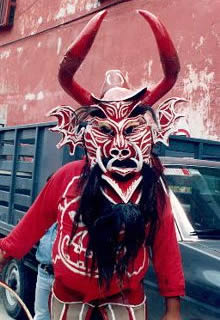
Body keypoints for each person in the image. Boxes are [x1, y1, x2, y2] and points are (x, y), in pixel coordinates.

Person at [0, 9, 187, 320]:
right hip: (68, 293)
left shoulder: (152, 188)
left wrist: (173, 308)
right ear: (85, 132)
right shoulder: (68, 178)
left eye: (131, 130)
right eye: (106, 130)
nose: (120, 147)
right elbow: (30, 227)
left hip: (126, 296)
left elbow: (166, 246)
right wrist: (5, 254)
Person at [34, 223, 57, 320]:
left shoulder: (71, 216)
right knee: (41, 316)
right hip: (43, 272)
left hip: (61, 277)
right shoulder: (47, 215)